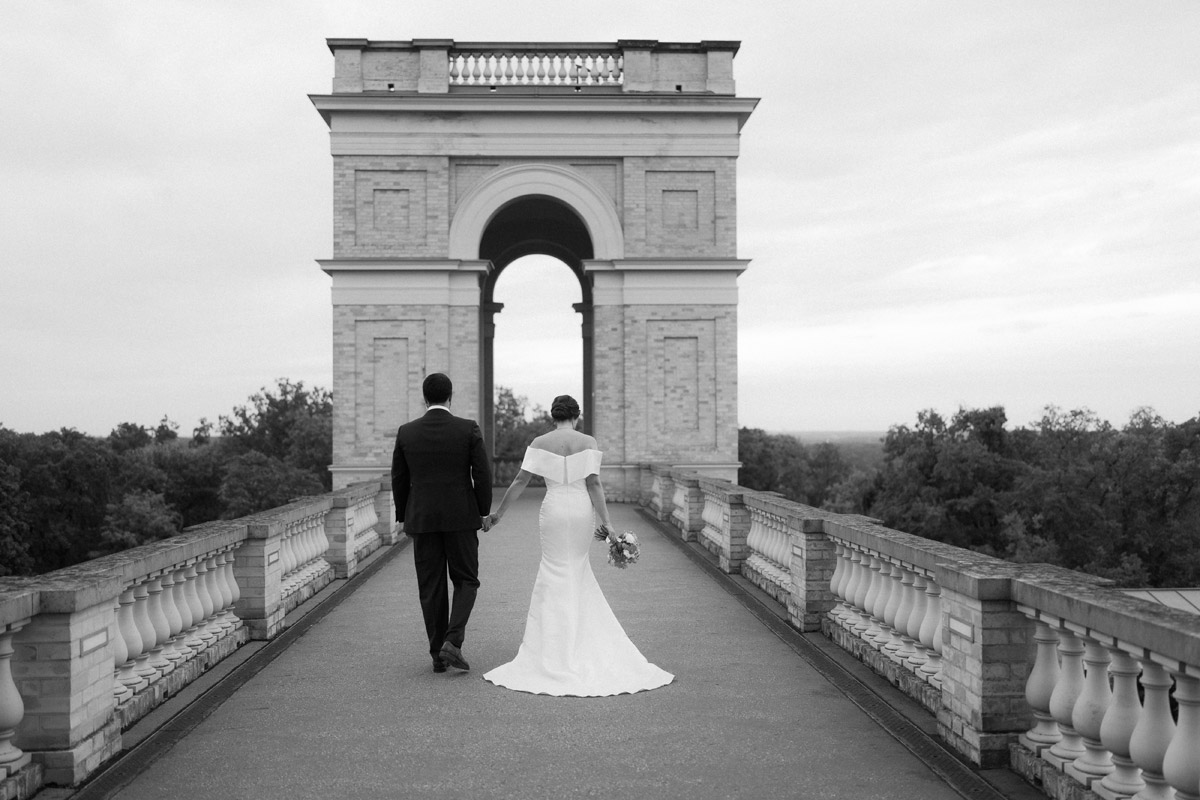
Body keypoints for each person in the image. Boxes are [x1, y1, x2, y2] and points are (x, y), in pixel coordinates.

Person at [482, 394, 674, 696]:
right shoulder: (588, 442)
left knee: (553, 570)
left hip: (554, 510)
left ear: (552, 415)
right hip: (581, 510)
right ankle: (579, 641)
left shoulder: (540, 441)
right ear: (577, 415)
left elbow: (520, 481)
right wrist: (608, 525)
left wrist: (498, 515)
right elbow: (594, 484)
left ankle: (551, 647)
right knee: (577, 569)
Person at [391, 373, 492, 674]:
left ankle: (438, 655)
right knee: (466, 580)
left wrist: (402, 515)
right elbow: (482, 473)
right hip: (461, 517)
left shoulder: (407, 432)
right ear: (451, 397)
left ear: (425, 398)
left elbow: (399, 477)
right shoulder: (467, 428)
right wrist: (483, 511)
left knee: (431, 587)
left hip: (422, 520)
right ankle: (453, 641)